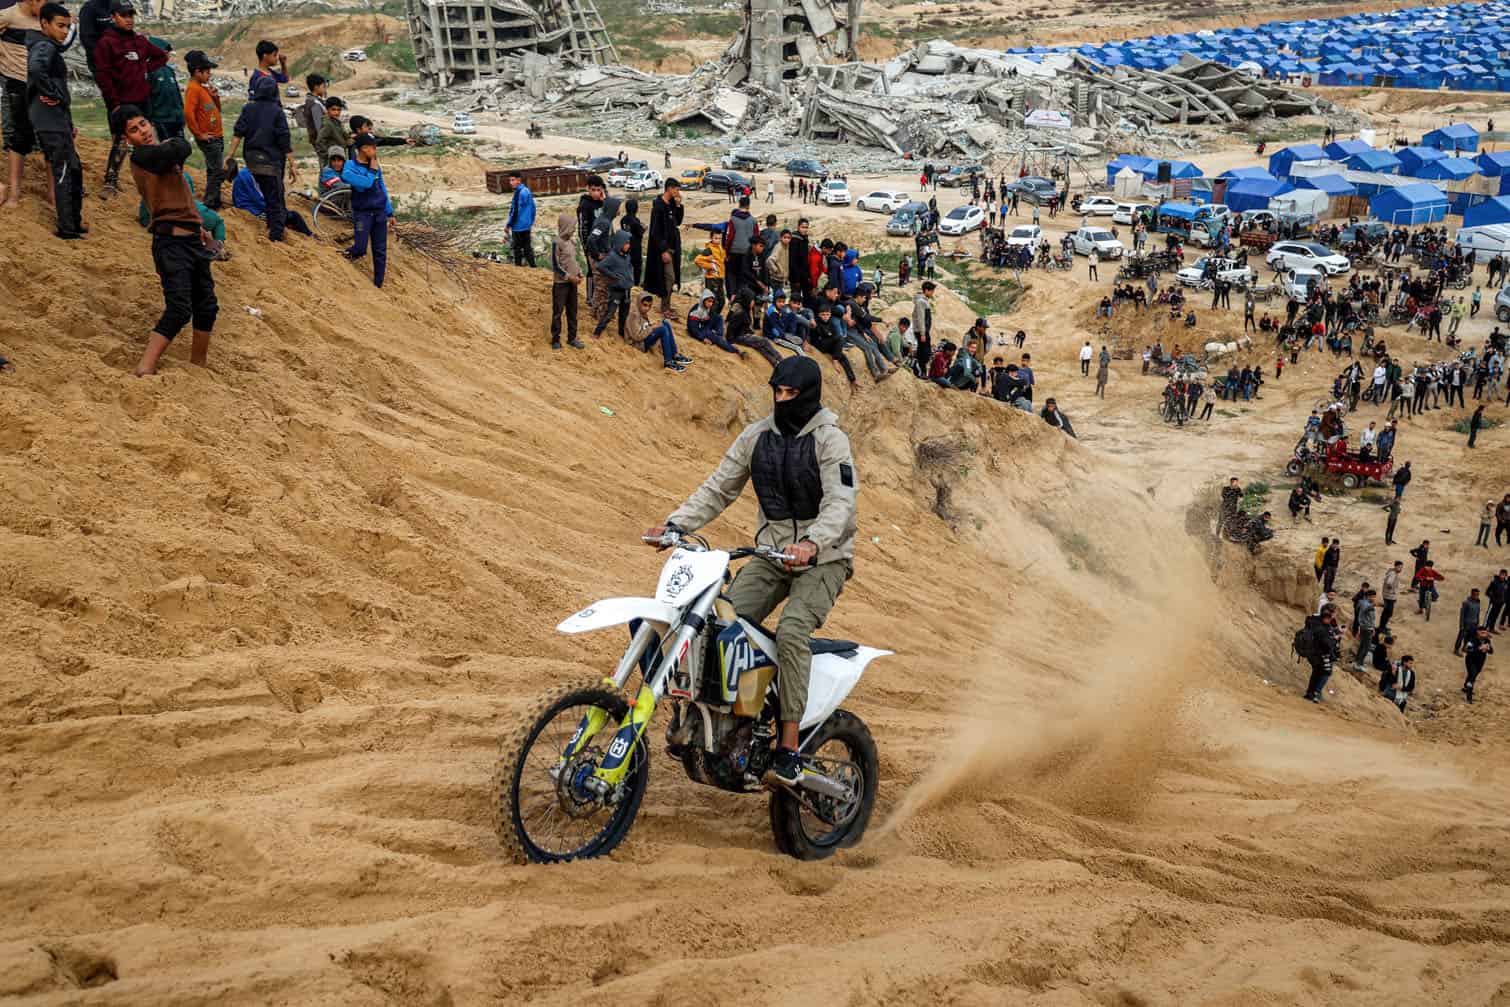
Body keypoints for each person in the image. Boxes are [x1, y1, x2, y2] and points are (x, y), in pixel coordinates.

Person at [647, 355, 856, 787]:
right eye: (776, 392)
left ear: (808, 395)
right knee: (721, 624)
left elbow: (841, 503)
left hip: (824, 558)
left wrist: (813, 543)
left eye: (790, 394)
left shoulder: (831, 441)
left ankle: (789, 747)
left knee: (794, 630)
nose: (781, 400)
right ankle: (727, 721)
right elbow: (719, 486)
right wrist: (675, 525)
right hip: (770, 555)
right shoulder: (756, 437)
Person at [116, 105, 216, 376]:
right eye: (134, 130)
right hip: (170, 244)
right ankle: (144, 367)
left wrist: (201, 229)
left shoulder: (159, 156)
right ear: (127, 139)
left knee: (206, 305)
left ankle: (199, 366)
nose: (143, 132)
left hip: (191, 240)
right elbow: (179, 149)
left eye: (143, 124)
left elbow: (184, 195)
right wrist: (176, 144)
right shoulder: (142, 158)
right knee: (180, 308)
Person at [93, 0, 166, 196]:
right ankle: (110, 181)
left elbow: (162, 56)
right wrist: (114, 104)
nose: (128, 19)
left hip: (142, 99)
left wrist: (144, 69)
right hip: (121, 102)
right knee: (121, 141)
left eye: (131, 15)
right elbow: (102, 75)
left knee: (149, 138)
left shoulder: (140, 41)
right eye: (124, 15)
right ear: (113, 17)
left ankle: (155, 180)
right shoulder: (106, 42)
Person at [26, 2, 84, 239]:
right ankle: (67, 229)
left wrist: (67, 120)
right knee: (64, 174)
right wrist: (53, 94)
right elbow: (36, 70)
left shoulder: (50, 46)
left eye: (66, 26)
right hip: (49, 123)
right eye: (60, 26)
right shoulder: (43, 46)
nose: (63, 31)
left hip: (58, 122)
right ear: (44, 24)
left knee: (74, 170)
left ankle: (73, 223)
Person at [225, 76, 295, 241]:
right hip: (271, 162)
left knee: (268, 193)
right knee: (275, 199)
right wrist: (293, 163)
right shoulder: (277, 111)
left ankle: (272, 227)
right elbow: (284, 139)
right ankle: (276, 236)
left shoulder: (248, 108)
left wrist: (229, 156)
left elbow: (238, 133)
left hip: (252, 161)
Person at [0, 0, 43, 210]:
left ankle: (55, 193)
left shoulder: (45, 19)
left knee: (45, 136)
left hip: (40, 85)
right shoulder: (8, 15)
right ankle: (13, 190)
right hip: (12, 81)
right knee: (14, 134)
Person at [341, 133, 394, 287]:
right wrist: (371, 172)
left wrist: (389, 212)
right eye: (373, 147)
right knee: (360, 248)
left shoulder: (376, 166)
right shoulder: (350, 166)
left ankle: (378, 285)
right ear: (363, 149)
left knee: (380, 251)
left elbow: (382, 188)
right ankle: (344, 258)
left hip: (379, 214)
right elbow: (363, 184)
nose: (375, 150)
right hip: (363, 215)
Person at [182, 50, 224, 209]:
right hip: (210, 138)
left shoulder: (203, 88)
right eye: (207, 72)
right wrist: (199, 134)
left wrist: (215, 97)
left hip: (216, 135)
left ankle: (215, 199)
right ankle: (211, 203)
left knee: (213, 170)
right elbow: (188, 113)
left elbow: (216, 110)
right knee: (216, 172)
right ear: (197, 71)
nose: (209, 75)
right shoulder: (193, 89)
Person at [644, 178, 683, 315]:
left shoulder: (671, 204)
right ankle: (664, 307)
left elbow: (677, 222)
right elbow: (655, 232)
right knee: (669, 277)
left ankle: (666, 305)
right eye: (677, 189)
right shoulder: (659, 206)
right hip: (664, 250)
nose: (678, 192)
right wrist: (663, 250)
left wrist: (679, 206)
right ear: (670, 188)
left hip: (673, 248)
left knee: (671, 278)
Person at [625, 293, 691, 373]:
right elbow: (637, 336)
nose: (647, 308)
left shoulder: (642, 314)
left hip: (644, 339)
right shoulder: (634, 316)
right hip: (638, 344)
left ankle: (675, 354)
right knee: (662, 329)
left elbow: (644, 327)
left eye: (649, 306)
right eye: (645, 305)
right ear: (639, 303)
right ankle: (668, 362)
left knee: (665, 322)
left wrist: (652, 325)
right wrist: (652, 328)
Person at [549, 211, 583, 350]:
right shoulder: (557, 243)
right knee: (558, 312)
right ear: (565, 226)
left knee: (572, 311)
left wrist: (579, 273)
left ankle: (572, 338)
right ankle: (556, 339)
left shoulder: (571, 242)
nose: (574, 229)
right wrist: (569, 277)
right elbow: (556, 266)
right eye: (572, 226)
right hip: (561, 284)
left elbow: (573, 261)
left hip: (572, 283)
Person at [1300, 602, 1342, 703]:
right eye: (1334, 613)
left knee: (1317, 672)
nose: (1335, 615)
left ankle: (1310, 693)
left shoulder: (1315, 619)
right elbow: (1326, 642)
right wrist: (1335, 639)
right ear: (1328, 613)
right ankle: (1316, 693)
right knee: (1326, 672)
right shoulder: (1321, 625)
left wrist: (1336, 631)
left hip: (1313, 652)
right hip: (1320, 653)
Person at [142, 35, 182, 140]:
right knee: (167, 151)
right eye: (166, 52)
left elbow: (177, 94)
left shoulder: (169, 70)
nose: (168, 55)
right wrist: (150, 119)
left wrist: (181, 114)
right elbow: (147, 97)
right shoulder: (148, 70)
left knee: (181, 149)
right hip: (161, 120)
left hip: (176, 119)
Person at [504, 169, 535, 267]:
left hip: (518, 225)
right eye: (510, 180)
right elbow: (533, 208)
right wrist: (530, 221)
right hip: (526, 225)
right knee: (527, 247)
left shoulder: (519, 193)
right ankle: (533, 267)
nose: (511, 183)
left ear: (519, 180)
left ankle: (518, 268)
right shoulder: (527, 191)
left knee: (517, 248)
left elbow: (515, 211)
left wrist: (508, 225)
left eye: (513, 180)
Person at [295, 73, 326, 152]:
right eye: (323, 86)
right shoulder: (314, 103)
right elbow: (319, 127)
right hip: (321, 142)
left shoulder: (311, 100)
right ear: (316, 87)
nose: (325, 89)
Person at [313, 96, 350, 161]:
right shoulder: (328, 124)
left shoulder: (336, 121)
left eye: (339, 110)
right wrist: (328, 156)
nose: (336, 112)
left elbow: (341, 135)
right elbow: (319, 142)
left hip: (339, 156)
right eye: (333, 109)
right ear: (327, 109)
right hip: (333, 160)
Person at [1463, 625, 1493, 703]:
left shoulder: (1487, 641)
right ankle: (1469, 696)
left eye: (1485, 633)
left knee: (1473, 675)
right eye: (1482, 633)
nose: (1485, 634)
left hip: (1480, 662)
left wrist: (1488, 648)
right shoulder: (1472, 640)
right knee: (1472, 677)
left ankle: (1466, 686)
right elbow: (1468, 650)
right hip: (1470, 661)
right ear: (1478, 633)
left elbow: (1491, 651)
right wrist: (1479, 649)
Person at [1353, 588, 1378, 673]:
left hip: (1367, 628)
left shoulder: (1364, 603)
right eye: (1372, 596)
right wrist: (1373, 605)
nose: (1374, 598)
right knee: (1366, 648)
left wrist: (1373, 628)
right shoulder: (1365, 604)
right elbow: (1366, 609)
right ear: (1368, 596)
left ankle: (1357, 662)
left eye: (1375, 596)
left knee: (1362, 646)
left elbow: (1371, 618)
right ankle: (1359, 664)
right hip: (1366, 629)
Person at [620, 198, 644, 286]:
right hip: (635, 246)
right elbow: (640, 233)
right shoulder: (635, 220)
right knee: (637, 267)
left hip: (625, 245)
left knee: (627, 266)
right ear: (636, 208)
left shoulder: (623, 219)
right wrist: (643, 228)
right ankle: (636, 284)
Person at [1455, 588, 1482, 656]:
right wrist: (1461, 625)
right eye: (1475, 595)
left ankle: (1465, 647)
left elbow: (1478, 613)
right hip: (1466, 623)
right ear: (1472, 594)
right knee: (1461, 636)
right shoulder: (1466, 603)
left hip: (1474, 624)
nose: (1476, 596)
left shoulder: (1478, 603)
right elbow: (1462, 614)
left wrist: (1477, 622)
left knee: (1470, 637)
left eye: (1478, 595)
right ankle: (1456, 649)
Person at [1380, 560, 1403, 633]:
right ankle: (1382, 628)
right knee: (1387, 613)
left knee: (1387, 613)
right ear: (1395, 566)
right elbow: (1389, 582)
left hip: (1389, 596)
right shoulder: (1393, 574)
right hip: (1389, 596)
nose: (1400, 569)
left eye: (1401, 567)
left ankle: (1383, 627)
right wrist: (1392, 590)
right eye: (1399, 567)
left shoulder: (1393, 572)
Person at [1485, 568, 1508, 634]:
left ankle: (1491, 628)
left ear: (1506, 576)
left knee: (1495, 616)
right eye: (1501, 574)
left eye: (1504, 575)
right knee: (1489, 615)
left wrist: (1504, 600)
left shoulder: (1506, 583)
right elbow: (1487, 592)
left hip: (1500, 603)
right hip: (1493, 602)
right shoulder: (1494, 582)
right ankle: (1485, 629)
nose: (1502, 576)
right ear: (1499, 574)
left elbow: (1506, 592)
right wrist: (1493, 599)